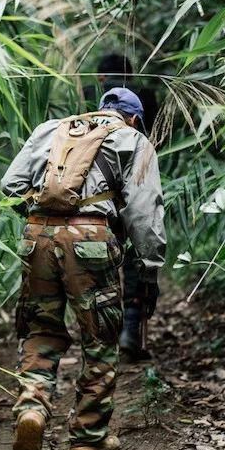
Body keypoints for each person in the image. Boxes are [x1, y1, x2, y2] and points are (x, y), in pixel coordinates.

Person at [0, 87, 166, 450]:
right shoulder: (132, 138)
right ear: (134, 117)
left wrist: (43, 221)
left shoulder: (51, 129)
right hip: (91, 239)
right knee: (100, 336)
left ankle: (32, 409)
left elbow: (10, 186)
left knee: (41, 328)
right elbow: (144, 210)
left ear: (100, 110)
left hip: (37, 236)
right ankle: (88, 436)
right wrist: (150, 266)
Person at [89, 54, 159, 361]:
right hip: (140, 183)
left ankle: (105, 343)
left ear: (101, 78)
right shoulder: (147, 97)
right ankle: (131, 333)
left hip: (92, 204)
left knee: (99, 277)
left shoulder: (92, 105)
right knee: (135, 263)